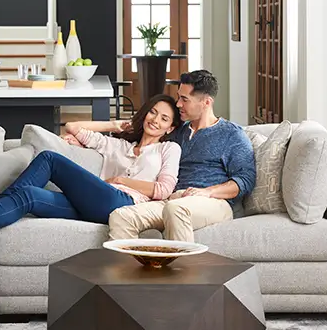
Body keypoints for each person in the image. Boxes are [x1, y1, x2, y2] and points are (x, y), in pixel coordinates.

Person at [0, 94, 183, 232]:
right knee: (28, 196)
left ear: (170, 127)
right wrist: (113, 125)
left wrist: (121, 181)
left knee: (50, 158)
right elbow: (72, 126)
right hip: (96, 206)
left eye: (163, 119)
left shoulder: (169, 148)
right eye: (152, 112)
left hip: (123, 204)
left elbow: (163, 191)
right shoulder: (118, 144)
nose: (155, 120)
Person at [108, 70, 256, 242]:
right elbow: (141, 136)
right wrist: (77, 137)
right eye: (178, 97)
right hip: (172, 200)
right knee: (121, 216)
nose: (178, 104)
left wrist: (208, 192)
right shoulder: (178, 131)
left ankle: (183, 269)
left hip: (213, 203)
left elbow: (246, 179)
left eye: (184, 99)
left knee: (175, 209)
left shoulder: (231, 134)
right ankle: (125, 269)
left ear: (206, 102)